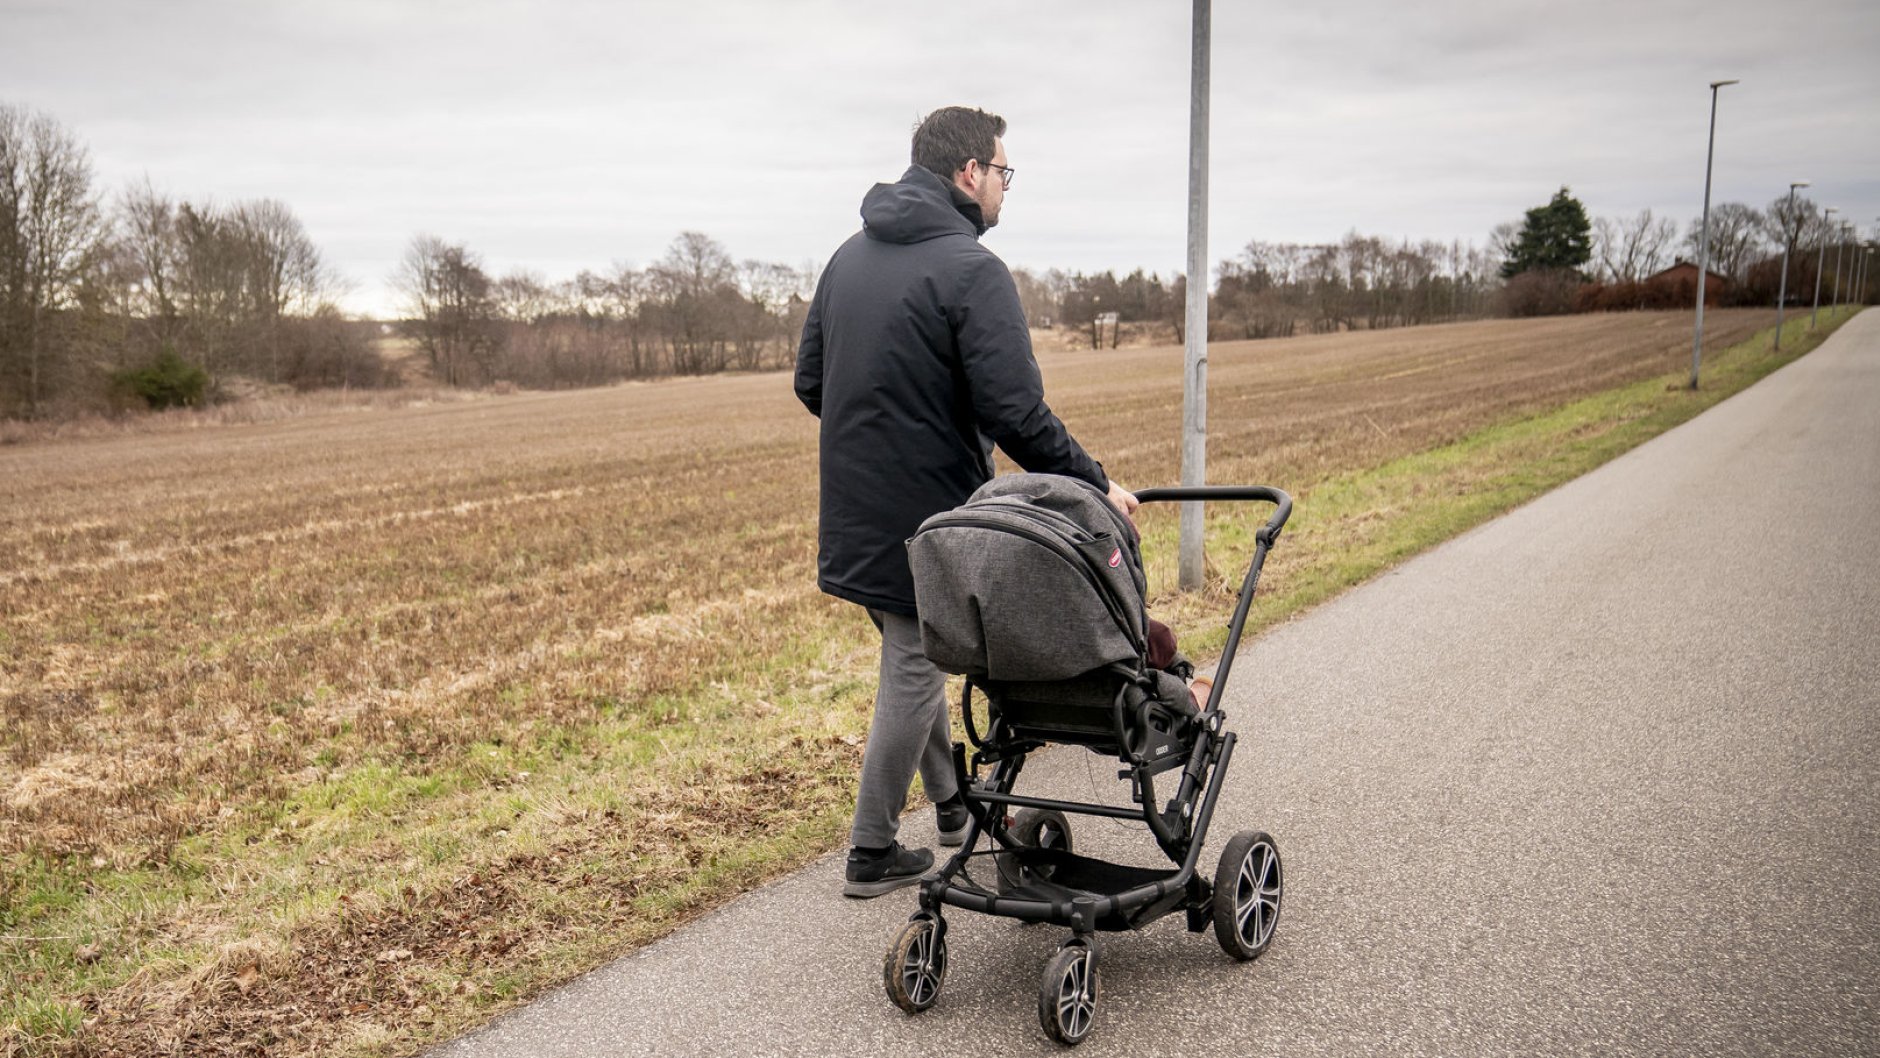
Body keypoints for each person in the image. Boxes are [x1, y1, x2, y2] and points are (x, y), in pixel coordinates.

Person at [795, 106, 1138, 898]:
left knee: (913, 657)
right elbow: (1016, 412)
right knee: (917, 666)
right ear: (968, 174)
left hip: (854, 508)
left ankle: (954, 813)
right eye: (1003, 173)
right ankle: (871, 850)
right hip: (931, 514)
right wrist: (1095, 482)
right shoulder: (971, 270)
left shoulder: (847, 258)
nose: (1006, 190)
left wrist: (877, 432)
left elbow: (811, 384)